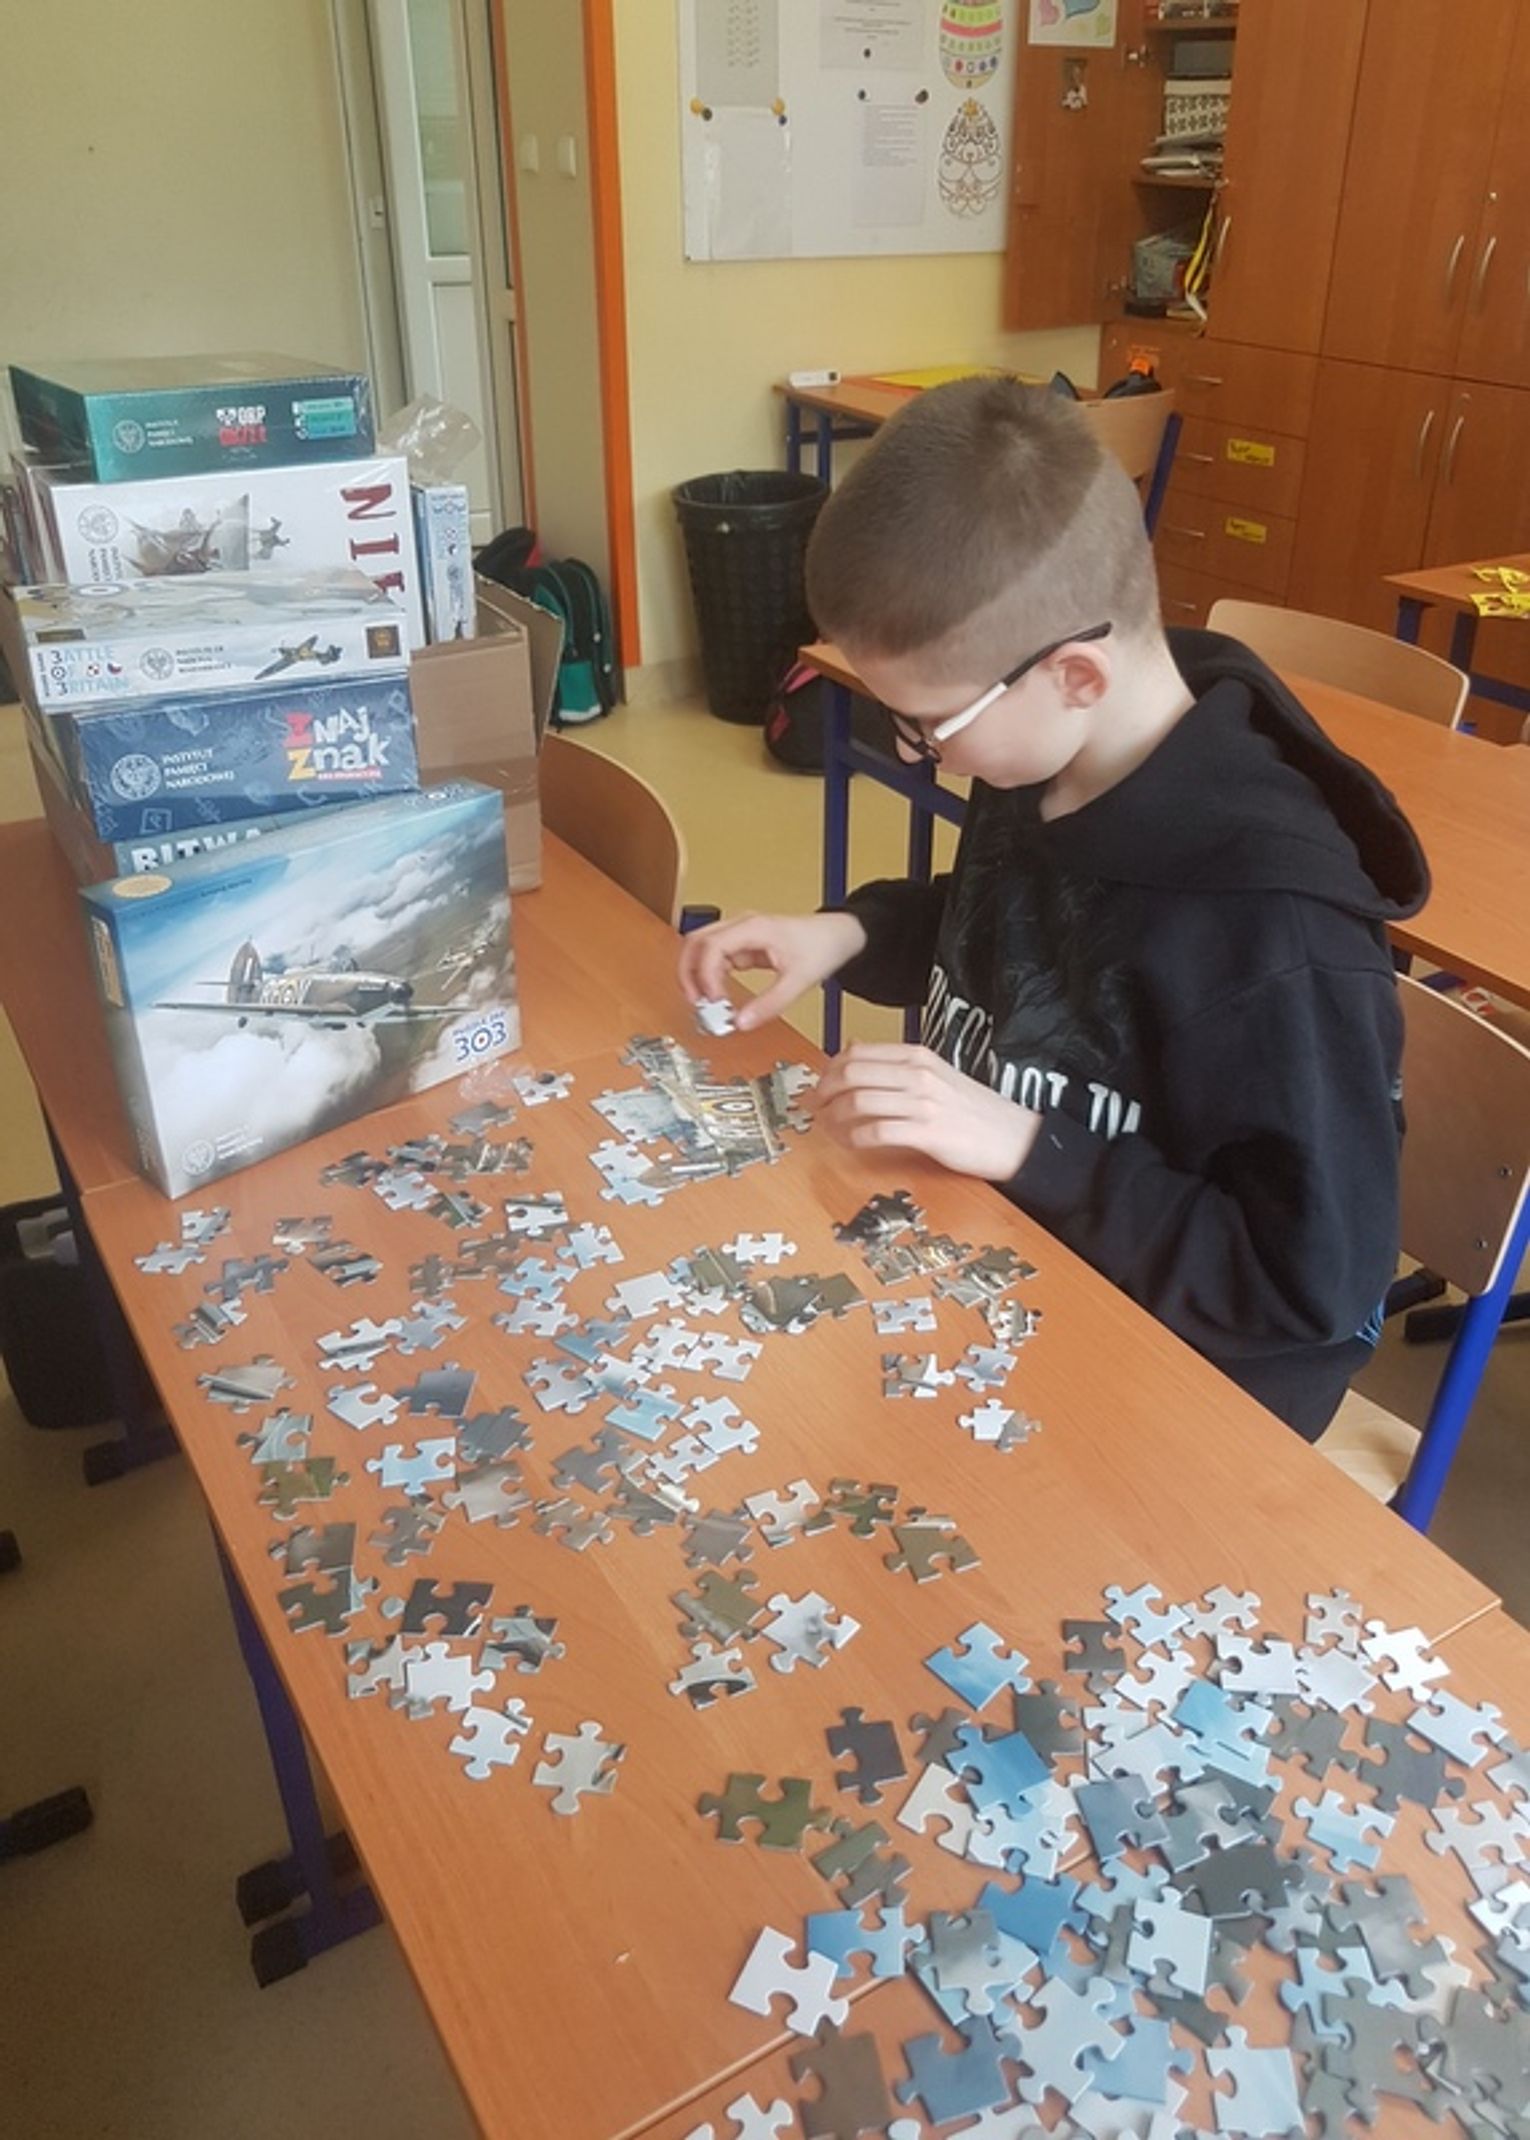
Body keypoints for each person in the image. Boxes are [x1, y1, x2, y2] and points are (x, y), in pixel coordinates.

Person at [678, 378, 1430, 1440]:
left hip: (1186, 1399)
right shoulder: (1045, 753)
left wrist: (1027, 1142)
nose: (917, 755)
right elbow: (1011, 929)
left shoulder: (1277, 933)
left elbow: (1304, 1286)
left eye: (928, 724)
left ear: (1074, 672)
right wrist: (843, 934)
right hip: (996, 1272)